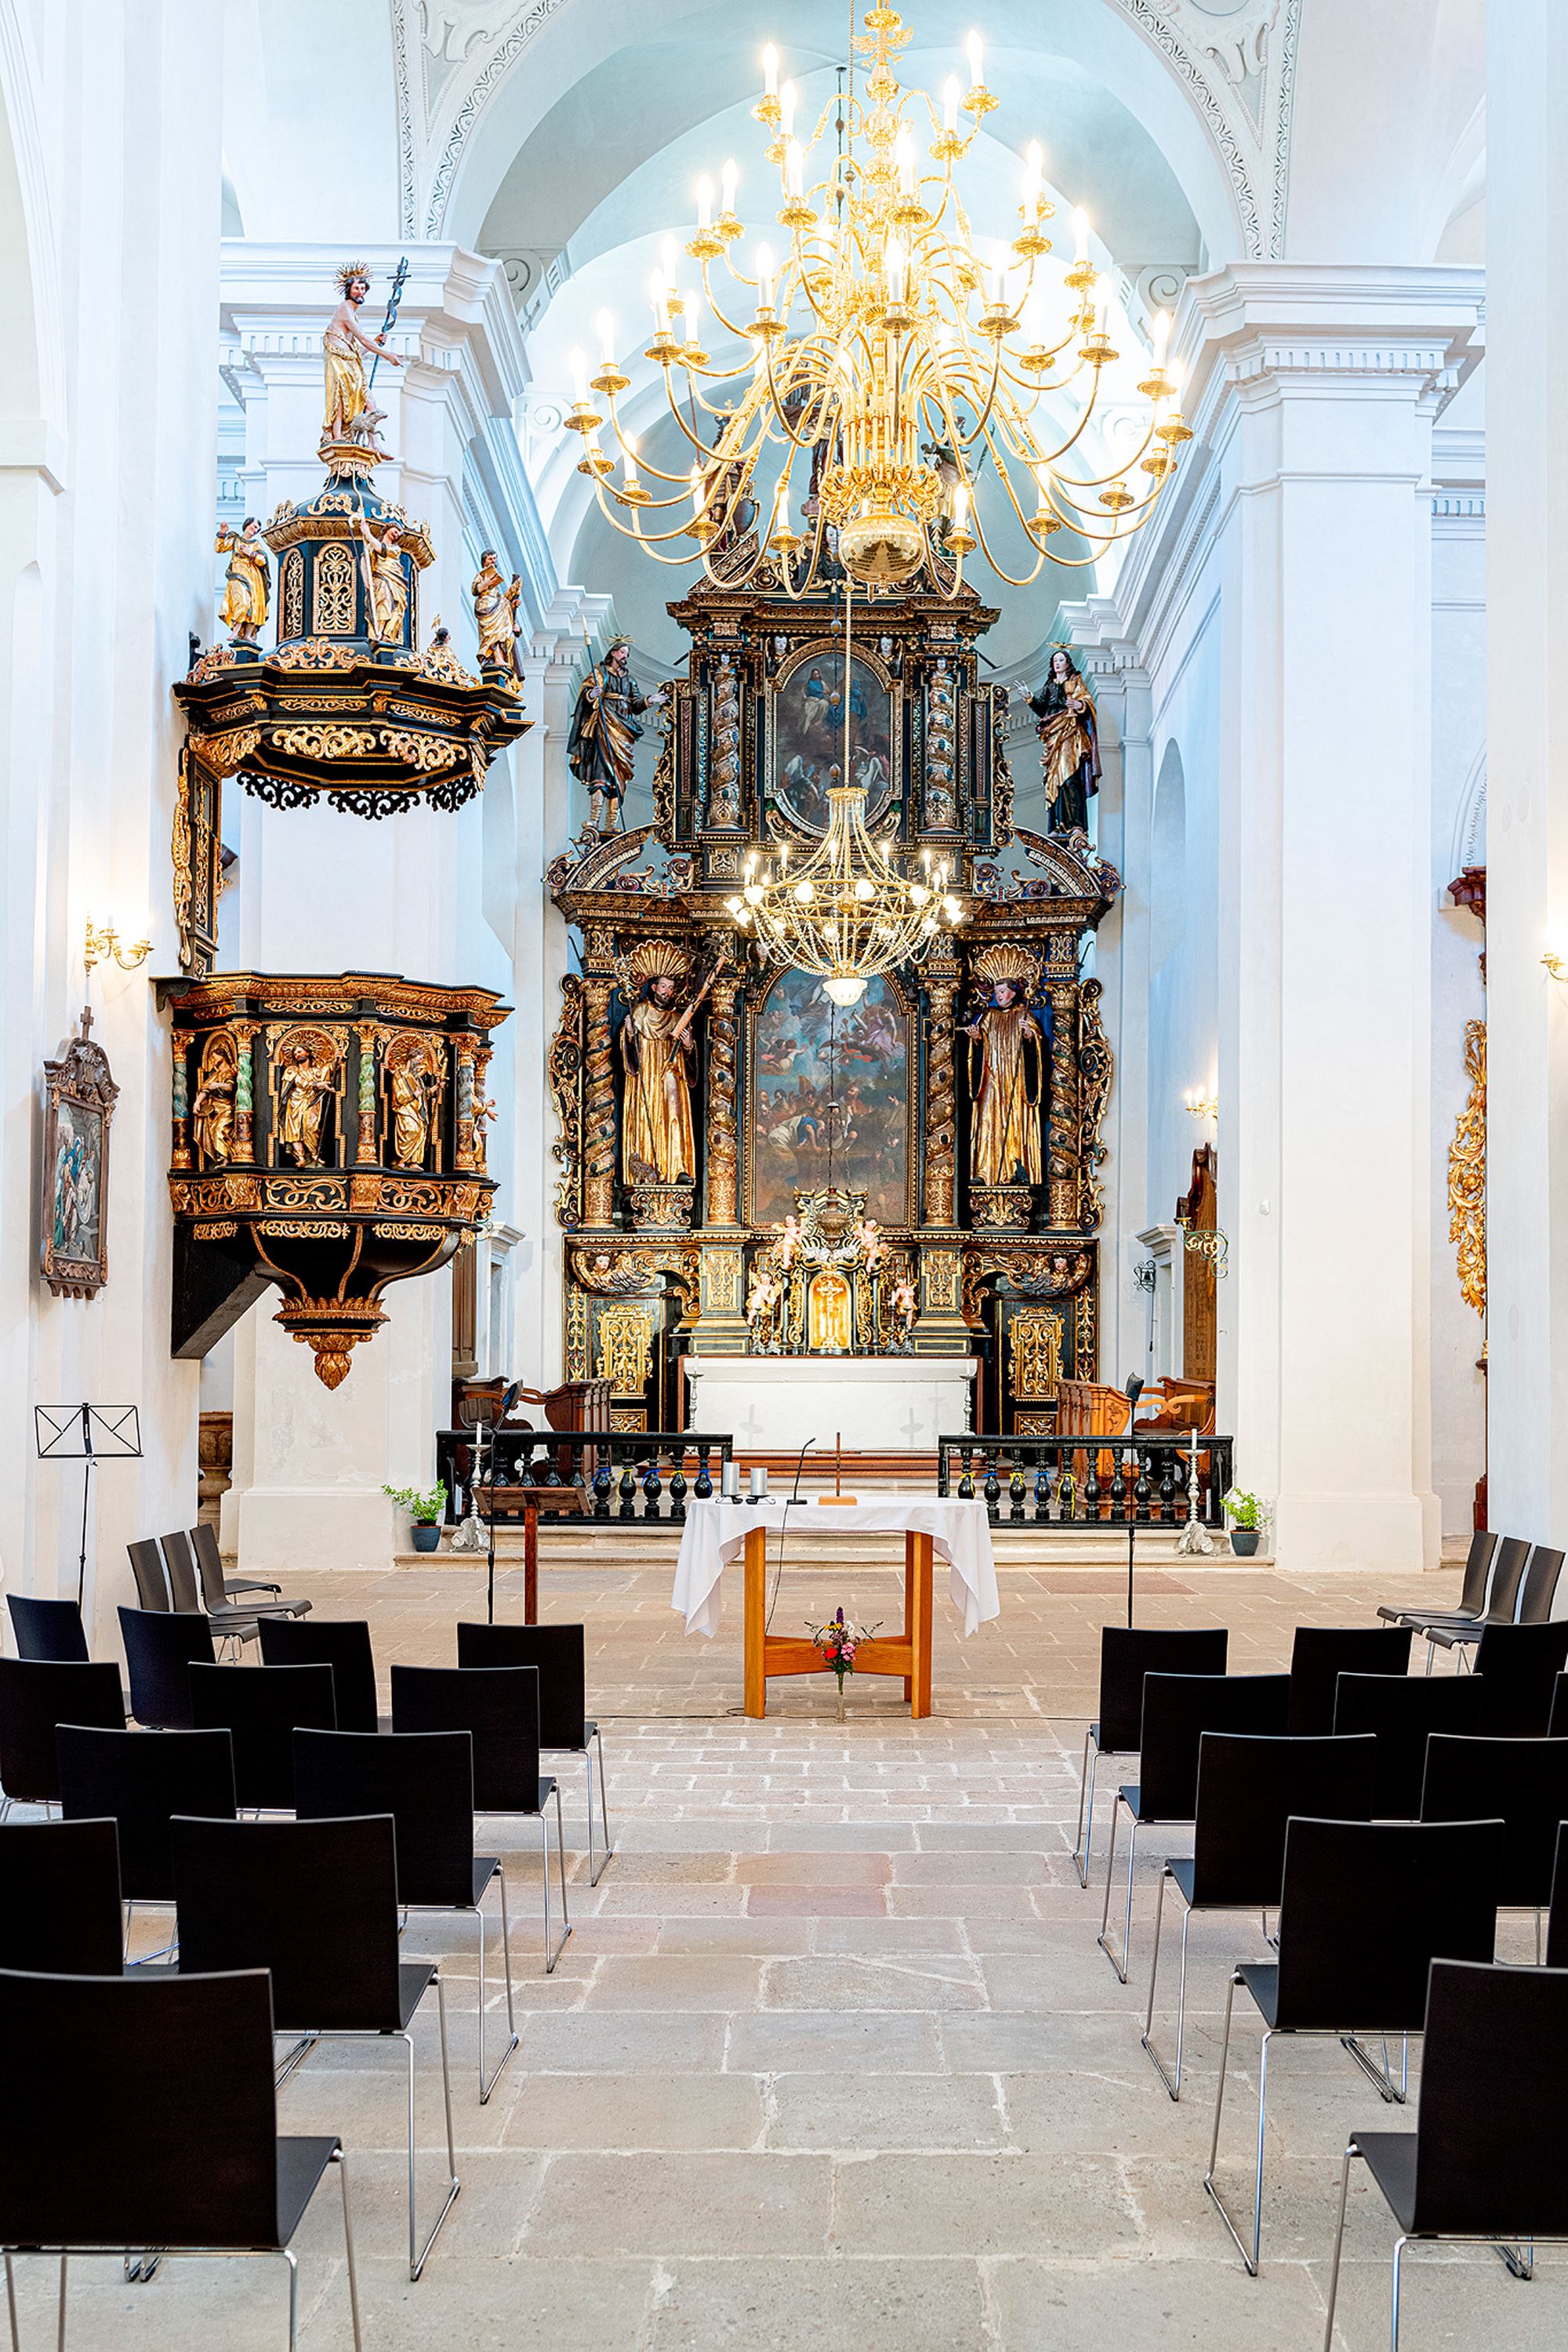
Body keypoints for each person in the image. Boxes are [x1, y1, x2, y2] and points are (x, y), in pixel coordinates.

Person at [568, 639, 663, 837]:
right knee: (600, 772)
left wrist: (650, 700)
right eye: (622, 652)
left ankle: (612, 823)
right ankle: (594, 819)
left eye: (626, 654)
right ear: (613, 653)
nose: (625, 657)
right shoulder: (600, 673)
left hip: (624, 731)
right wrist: (592, 695)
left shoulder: (629, 680)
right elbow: (586, 693)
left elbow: (636, 703)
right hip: (605, 726)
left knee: (619, 777)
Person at [964, 975, 1045, 1186]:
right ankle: (985, 1171)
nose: (998, 996)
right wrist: (977, 1039)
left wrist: (1029, 1035)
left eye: (1002, 992)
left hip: (1015, 1081)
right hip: (992, 1078)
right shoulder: (988, 1017)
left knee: (1015, 1121)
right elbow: (979, 1046)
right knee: (987, 1120)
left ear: (1013, 993)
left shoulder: (1024, 1015)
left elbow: (1035, 1048)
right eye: (996, 993)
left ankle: (1016, 1170)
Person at [1016, 646, 1101, 833]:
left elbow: (1086, 701)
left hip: (1069, 731)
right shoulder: (1050, 685)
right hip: (1052, 734)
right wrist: (1029, 697)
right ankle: (1056, 824)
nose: (1057, 663)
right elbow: (1042, 710)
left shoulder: (1075, 680)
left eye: (1061, 660)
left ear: (1067, 663)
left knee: (1070, 777)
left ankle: (1076, 824)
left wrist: (1079, 704)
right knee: (1054, 779)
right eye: (1055, 661)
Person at [321, 262, 401, 452]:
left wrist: (375, 343)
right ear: (348, 290)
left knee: (370, 402)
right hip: (339, 362)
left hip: (350, 361)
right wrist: (387, 355)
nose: (360, 292)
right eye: (357, 288)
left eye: (363, 288)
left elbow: (356, 349)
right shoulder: (344, 309)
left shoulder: (352, 314)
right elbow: (362, 339)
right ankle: (337, 436)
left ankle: (373, 442)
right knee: (340, 397)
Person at [216, 517, 269, 643]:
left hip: (254, 578)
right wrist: (222, 534)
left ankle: (247, 635)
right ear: (247, 525)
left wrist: (251, 553)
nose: (255, 530)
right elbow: (219, 548)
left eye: (257, 529)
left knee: (254, 606)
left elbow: (263, 561)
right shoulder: (236, 541)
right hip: (238, 576)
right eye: (254, 526)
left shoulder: (256, 544)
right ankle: (236, 631)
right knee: (242, 602)